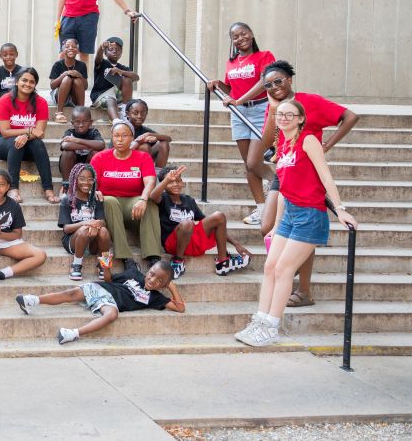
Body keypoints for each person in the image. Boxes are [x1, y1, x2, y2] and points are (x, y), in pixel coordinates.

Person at [234, 99, 357, 347]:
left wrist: (340, 208)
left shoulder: (308, 140)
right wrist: (278, 224)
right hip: (290, 213)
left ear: (301, 118)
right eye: (280, 114)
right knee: (270, 267)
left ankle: (271, 326)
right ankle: (260, 320)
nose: (284, 118)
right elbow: (284, 190)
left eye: (290, 115)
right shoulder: (284, 145)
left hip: (310, 214)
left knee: (283, 270)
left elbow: (325, 174)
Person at [252, 60, 360, 307]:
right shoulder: (276, 107)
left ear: (289, 79)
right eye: (268, 85)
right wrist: (272, 107)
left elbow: (350, 117)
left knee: (302, 228)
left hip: (306, 174)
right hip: (285, 169)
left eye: (278, 81)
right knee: (267, 225)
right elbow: (267, 140)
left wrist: (327, 145)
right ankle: (288, 270)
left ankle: (303, 289)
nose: (274, 87)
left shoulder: (310, 101)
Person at [206, 22, 276, 224]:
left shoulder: (265, 56)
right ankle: (262, 209)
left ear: (251, 34)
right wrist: (218, 85)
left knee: (255, 162)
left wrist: (240, 99)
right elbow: (231, 91)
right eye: (235, 36)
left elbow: (265, 81)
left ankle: (280, 182)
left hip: (261, 110)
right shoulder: (232, 63)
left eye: (243, 34)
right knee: (248, 165)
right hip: (238, 113)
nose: (240, 38)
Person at [16, 260, 184, 343]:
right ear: (148, 270)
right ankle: (32, 300)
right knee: (71, 293)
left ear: (164, 285)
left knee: (112, 315)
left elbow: (180, 308)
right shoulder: (134, 274)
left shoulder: (156, 298)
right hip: (102, 288)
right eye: (152, 274)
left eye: (160, 281)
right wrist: (106, 267)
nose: (153, 280)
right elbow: (110, 279)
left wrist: (172, 287)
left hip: (111, 303)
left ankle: (72, 333)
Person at [150, 166, 251, 280]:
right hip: (173, 243)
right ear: (165, 184)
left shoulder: (189, 200)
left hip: (191, 241)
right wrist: (166, 179)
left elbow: (209, 223)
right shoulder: (163, 198)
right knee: (187, 223)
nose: (175, 184)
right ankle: (178, 261)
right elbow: (153, 196)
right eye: (170, 182)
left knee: (219, 216)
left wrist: (236, 244)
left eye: (178, 181)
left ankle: (223, 262)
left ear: (183, 183)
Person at [91, 119, 163, 270]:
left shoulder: (143, 157)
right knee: (109, 200)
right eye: (116, 136)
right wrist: (95, 190)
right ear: (112, 137)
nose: (120, 139)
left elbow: (150, 181)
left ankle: (153, 256)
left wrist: (143, 199)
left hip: (133, 205)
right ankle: (125, 257)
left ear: (132, 137)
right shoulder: (100, 158)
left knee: (149, 202)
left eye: (124, 135)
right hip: (109, 206)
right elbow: (91, 183)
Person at [0, 67, 57, 204]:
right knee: (17, 143)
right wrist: (28, 131)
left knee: (38, 143)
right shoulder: (5, 100)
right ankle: (13, 188)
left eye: (32, 82)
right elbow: (5, 131)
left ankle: (48, 189)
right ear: (16, 81)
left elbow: (39, 132)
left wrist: (26, 136)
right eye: (24, 80)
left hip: (30, 144)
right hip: (3, 142)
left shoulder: (41, 103)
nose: (27, 84)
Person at [59, 164, 112, 281]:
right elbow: (66, 228)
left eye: (90, 179)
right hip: (74, 241)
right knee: (84, 230)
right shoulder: (67, 200)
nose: (86, 182)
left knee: (103, 231)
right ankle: (76, 265)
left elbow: (102, 221)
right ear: (74, 180)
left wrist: (95, 224)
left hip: (93, 242)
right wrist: (87, 223)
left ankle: (104, 265)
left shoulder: (95, 199)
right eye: (82, 179)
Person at [58, 106, 105, 194]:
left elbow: (101, 145)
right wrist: (89, 145)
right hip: (71, 166)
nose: (81, 125)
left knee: (95, 153)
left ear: (90, 122)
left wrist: (77, 140)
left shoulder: (93, 132)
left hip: (87, 165)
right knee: (67, 153)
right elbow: (65, 145)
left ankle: (93, 184)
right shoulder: (69, 132)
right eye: (77, 122)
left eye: (85, 122)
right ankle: (67, 185)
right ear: (72, 123)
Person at [89, 37, 137, 121]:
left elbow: (136, 77)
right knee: (110, 99)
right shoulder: (102, 63)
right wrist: (101, 47)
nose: (115, 51)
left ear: (121, 53)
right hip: (101, 96)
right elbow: (98, 57)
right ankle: (116, 122)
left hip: (117, 97)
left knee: (128, 79)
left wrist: (120, 71)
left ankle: (125, 109)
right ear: (105, 53)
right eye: (111, 49)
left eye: (118, 50)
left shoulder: (122, 67)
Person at [49, 38, 88, 122]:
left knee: (77, 80)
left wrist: (80, 75)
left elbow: (85, 86)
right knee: (67, 79)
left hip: (74, 97)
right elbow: (52, 85)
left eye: (74, 46)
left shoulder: (82, 65)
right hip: (59, 96)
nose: (70, 48)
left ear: (77, 50)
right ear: (63, 49)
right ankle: (59, 112)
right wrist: (64, 75)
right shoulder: (58, 64)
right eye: (67, 46)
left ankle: (82, 112)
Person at [125, 99, 173, 167]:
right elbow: (121, 152)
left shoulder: (144, 130)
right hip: (123, 163)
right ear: (127, 114)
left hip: (141, 161)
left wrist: (148, 134)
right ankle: (142, 174)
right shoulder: (121, 129)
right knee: (145, 147)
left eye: (143, 113)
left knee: (163, 143)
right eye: (135, 113)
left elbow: (169, 139)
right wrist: (140, 141)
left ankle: (158, 173)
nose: (139, 116)